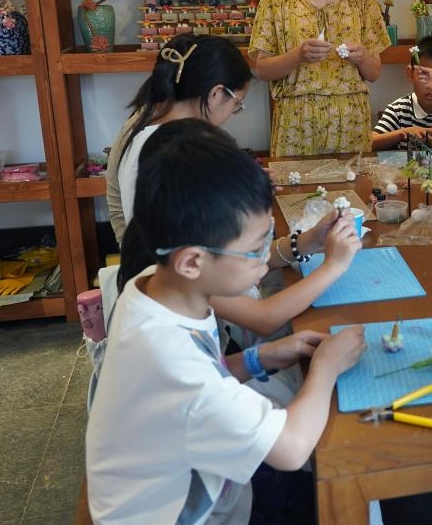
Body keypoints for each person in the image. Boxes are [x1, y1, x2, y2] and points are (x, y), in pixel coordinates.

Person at [86, 118, 367, 525]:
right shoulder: (168, 361)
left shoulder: (151, 285)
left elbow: (205, 379)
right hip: (190, 514)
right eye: (254, 251)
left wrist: (259, 359)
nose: (262, 263)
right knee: (338, 476)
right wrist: (325, 369)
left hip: (201, 484)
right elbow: (290, 448)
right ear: (193, 262)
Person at [249, 0, 391, 156]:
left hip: (352, 124)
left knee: (353, 196)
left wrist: (361, 56)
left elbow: (374, 73)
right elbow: (261, 69)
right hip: (297, 125)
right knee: (297, 196)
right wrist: (298, 55)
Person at [107, 34, 253, 240]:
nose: (234, 111)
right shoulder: (168, 149)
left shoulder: (158, 129)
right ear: (217, 93)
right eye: (238, 103)